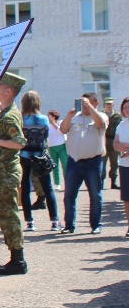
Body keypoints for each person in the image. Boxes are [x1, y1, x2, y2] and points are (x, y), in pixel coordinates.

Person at [0, 72, 28, 274]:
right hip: (3, 169)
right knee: (5, 213)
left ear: (8, 91)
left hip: (7, 170)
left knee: (9, 214)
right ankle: (15, 257)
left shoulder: (9, 115)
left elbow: (19, 142)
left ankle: (18, 260)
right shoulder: (6, 112)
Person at [59, 92, 108, 235]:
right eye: (83, 104)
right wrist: (69, 115)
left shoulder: (100, 116)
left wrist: (90, 108)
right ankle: (69, 225)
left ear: (96, 103)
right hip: (74, 161)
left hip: (92, 161)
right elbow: (63, 129)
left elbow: (101, 124)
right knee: (69, 194)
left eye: (88, 103)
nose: (85, 107)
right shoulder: (74, 117)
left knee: (95, 194)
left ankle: (96, 225)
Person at [19, 90, 59, 232]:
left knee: (25, 188)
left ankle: (30, 222)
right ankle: (54, 221)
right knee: (48, 188)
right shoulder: (43, 119)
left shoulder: (21, 118)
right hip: (40, 155)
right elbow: (46, 135)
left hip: (24, 155)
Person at [111, 98, 129, 237]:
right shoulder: (121, 125)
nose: (127, 110)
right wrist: (125, 148)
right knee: (127, 198)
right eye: (124, 108)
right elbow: (115, 145)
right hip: (124, 165)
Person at [47, 109, 67, 188]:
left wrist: (53, 123)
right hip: (52, 148)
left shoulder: (60, 123)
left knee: (65, 165)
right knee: (55, 166)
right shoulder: (48, 126)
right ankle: (57, 183)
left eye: (50, 116)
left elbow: (61, 131)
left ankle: (67, 182)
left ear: (54, 117)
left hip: (61, 146)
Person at [104, 98, 121, 189]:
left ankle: (113, 182)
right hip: (104, 140)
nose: (108, 105)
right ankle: (101, 181)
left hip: (114, 140)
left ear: (113, 105)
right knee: (102, 162)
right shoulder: (101, 114)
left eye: (110, 104)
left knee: (114, 162)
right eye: (107, 103)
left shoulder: (117, 116)